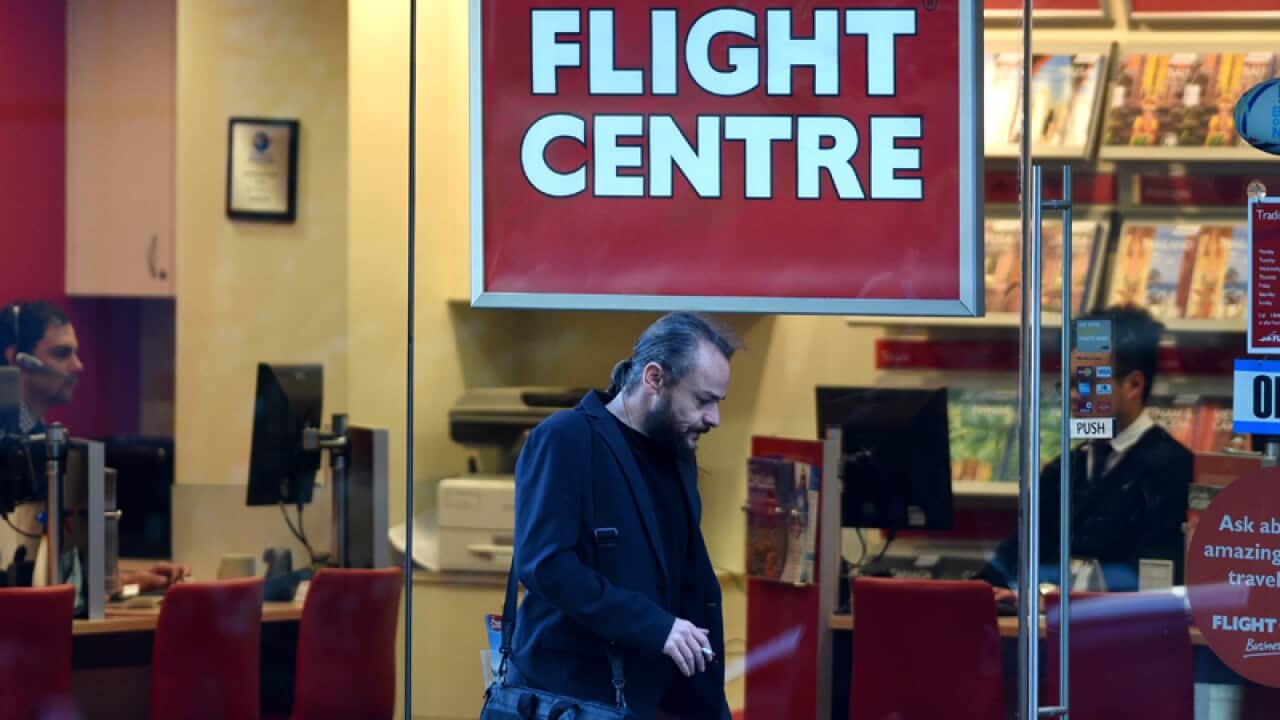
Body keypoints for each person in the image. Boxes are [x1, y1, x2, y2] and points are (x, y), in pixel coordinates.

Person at [507, 312, 738, 720]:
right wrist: (656, 627)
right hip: (577, 699)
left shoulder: (677, 454)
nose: (713, 419)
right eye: (703, 400)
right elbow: (545, 565)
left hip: (662, 700)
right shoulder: (566, 438)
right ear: (654, 379)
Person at [976, 305, 1193, 597]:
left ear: (1133, 384)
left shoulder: (1175, 469)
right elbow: (1012, 557)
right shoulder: (1064, 469)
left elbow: (1146, 579)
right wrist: (976, 592)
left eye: (1088, 382)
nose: (1074, 396)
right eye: (1069, 384)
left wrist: (1037, 595)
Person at [1, 299, 187, 592]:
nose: (78, 365)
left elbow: (53, 576)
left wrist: (126, 580)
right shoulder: (11, 445)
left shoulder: (45, 443)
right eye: (62, 354)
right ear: (17, 359)